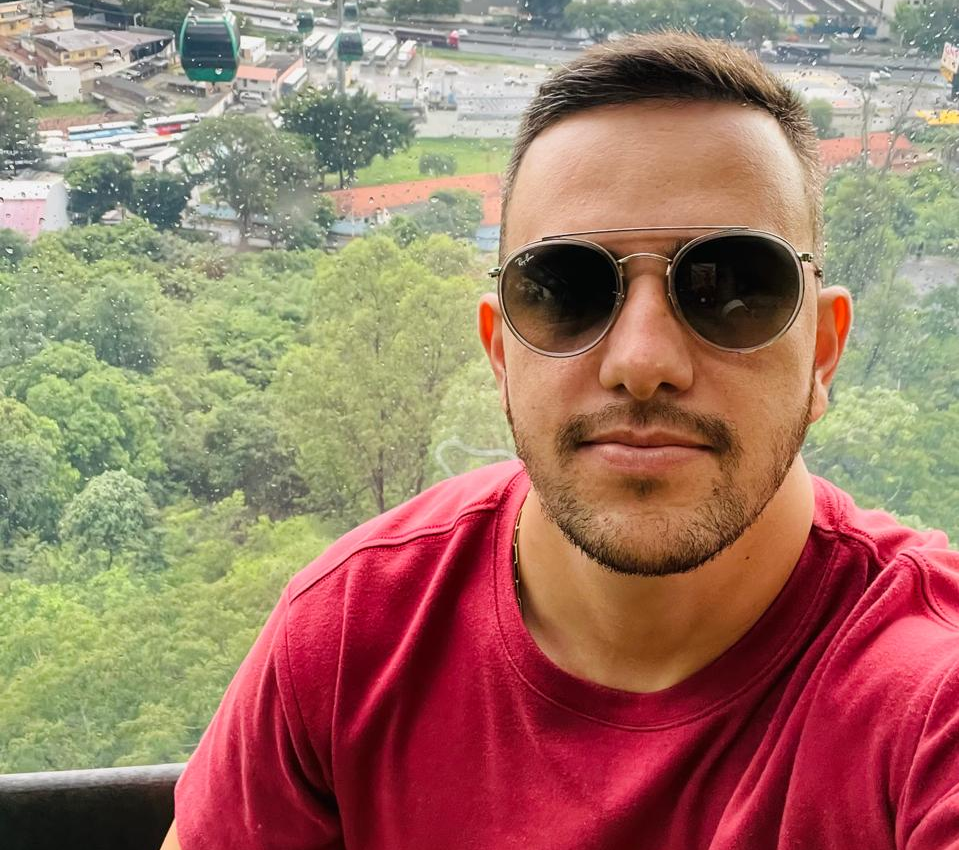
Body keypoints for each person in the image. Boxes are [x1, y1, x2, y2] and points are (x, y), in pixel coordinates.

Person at [163, 32, 959, 849]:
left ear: (822, 351)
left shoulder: (929, 702)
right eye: (567, 290)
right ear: (500, 355)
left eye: (730, 287)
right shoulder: (351, 640)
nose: (641, 363)